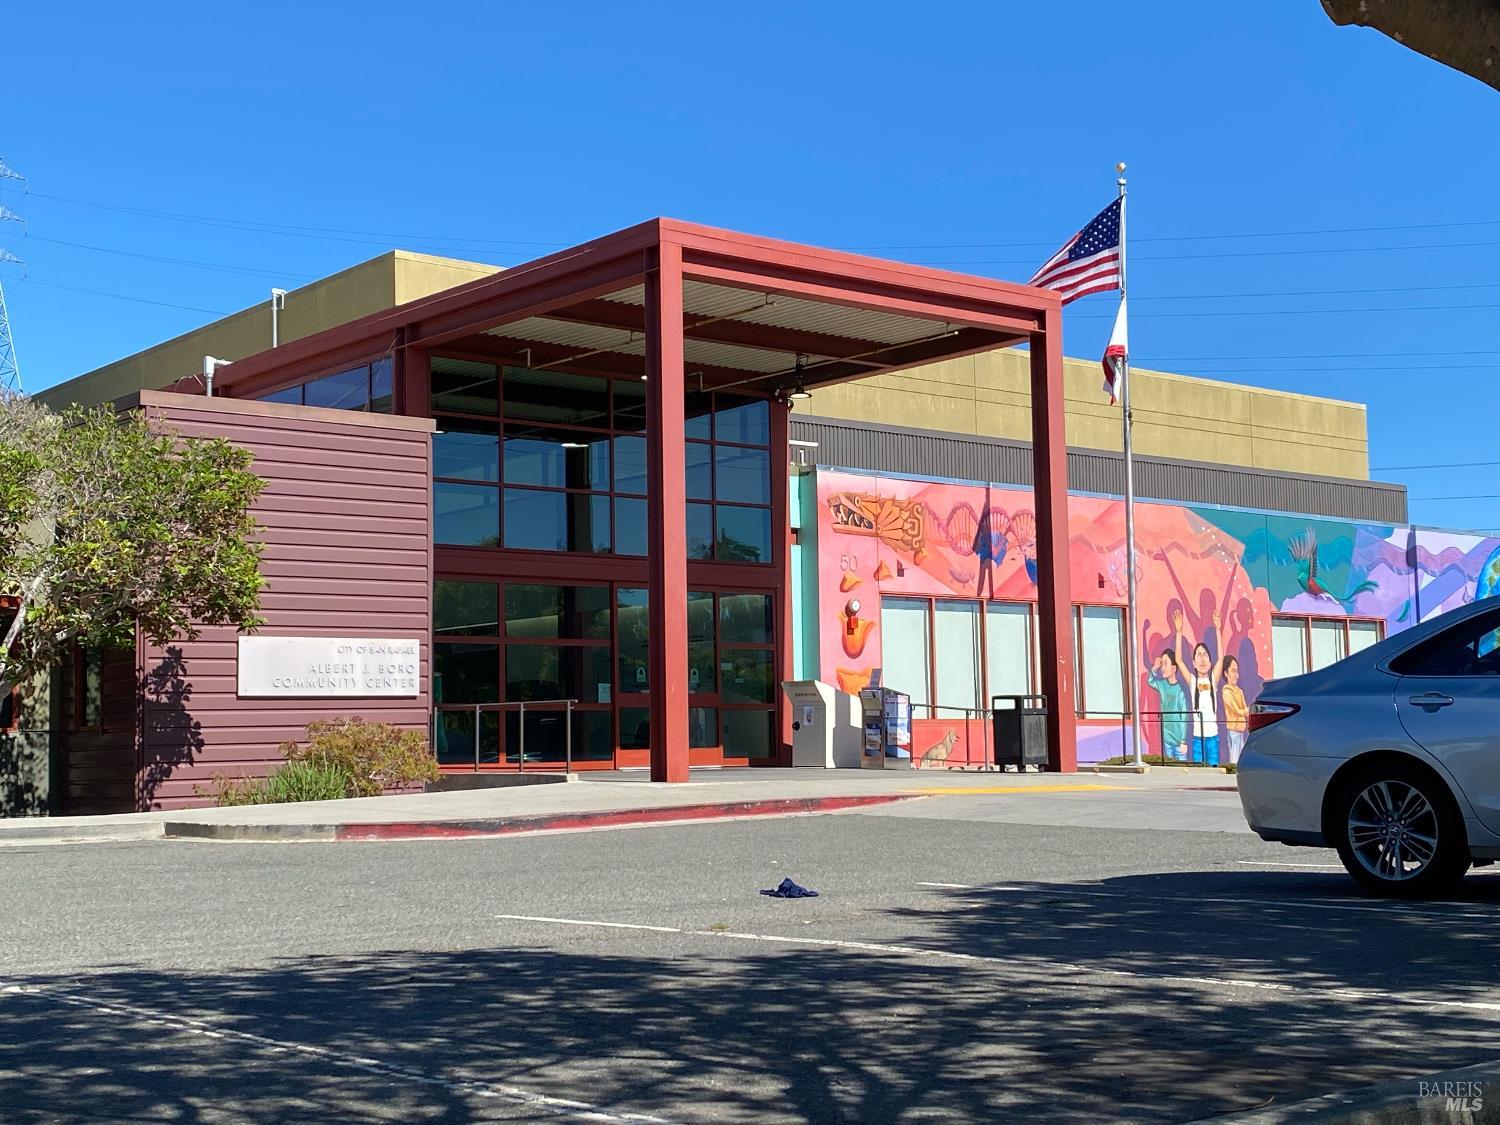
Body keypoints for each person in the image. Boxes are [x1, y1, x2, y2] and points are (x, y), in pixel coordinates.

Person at [1146, 648, 1189, 761]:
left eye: (1165, 663)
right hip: (1167, 740)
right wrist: (1155, 667)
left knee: (1181, 768)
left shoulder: (1180, 690)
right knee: (1169, 768)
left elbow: (1184, 717)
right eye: (1162, 664)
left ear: (1174, 668)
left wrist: (1183, 741)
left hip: (1179, 743)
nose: (1163, 668)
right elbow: (1150, 681)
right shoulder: (1162, 685)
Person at [1221, 655, 1249, 764]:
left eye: (1237, 671)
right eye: (1233, 671)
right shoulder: (1226, 692)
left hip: (1241, 730)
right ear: (1226, 673)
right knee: (1234, 760)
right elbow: (1238, 710)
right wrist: (1249, 710)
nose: (1236, 675)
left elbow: (1244, 709)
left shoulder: (1240, 691)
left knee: (1240, 760)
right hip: (1233, 731)